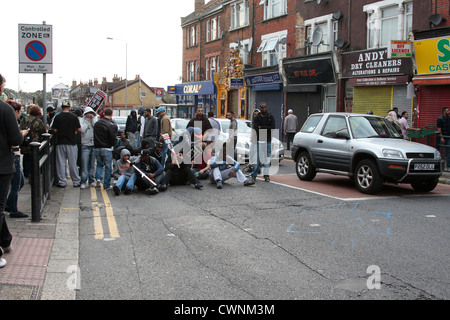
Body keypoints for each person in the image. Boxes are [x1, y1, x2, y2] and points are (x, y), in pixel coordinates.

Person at [0, 74, 26, 267]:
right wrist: (21, 134)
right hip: (2, 165)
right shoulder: (5, 110)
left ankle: (6, 240)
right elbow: (16, 139)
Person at [5, 100, 27, 218]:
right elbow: (15, 139)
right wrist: (22, 133)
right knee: (16, 184)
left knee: (20, 182)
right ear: (17, 111)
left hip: (12, 155)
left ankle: (8, 204)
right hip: (14, 155)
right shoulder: (11, 121)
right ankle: (13, 209)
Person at [50, 101, 80, 188]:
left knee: (60, 163)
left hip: (60, 142)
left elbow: (54, 130)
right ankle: (75, 181)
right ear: (69, 107)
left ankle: (62, 181)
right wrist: (74, 131)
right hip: (71, 142)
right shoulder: (74, 117)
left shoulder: (57, 117)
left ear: (62, 107)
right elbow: (79, 129)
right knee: (73, 163)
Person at [245, 102, 275, 185]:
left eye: (265, 107)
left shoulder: (270, 117)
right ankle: (254, 175)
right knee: (257, 158)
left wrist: (262, 127)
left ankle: (266, 175)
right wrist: (265, 129)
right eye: (262, 108)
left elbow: (272, 128)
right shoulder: (257, 117)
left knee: (267, 158)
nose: (263, 109)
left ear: (267, 107)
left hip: (268, 140)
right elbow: (255, 128)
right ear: (260, 108)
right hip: (259, 140)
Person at [19, 104, 47, 179]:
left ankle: (27, 172)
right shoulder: (38, 121)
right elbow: (43, 132)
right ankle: (35, 172)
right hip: (35, 143)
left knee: (26, 157)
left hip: (25, 142)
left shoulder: (24, 119)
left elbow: (20, 128)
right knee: (35, 158)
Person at [94, 108, 117, 190]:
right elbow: (112, 138)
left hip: (97, 147)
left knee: (99, 164)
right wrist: (112, 144)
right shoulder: (111, 125)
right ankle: (106, 184)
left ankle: (98, 179)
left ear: (103, 114)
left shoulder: (97, 123)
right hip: (107, 148)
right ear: (111, 115)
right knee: (108, 167)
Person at [79, 107, 98, 189]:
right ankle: (83, 181)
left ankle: (91, 180)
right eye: (88, 113)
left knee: (92, 164)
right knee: (84, 165)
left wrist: (93, 119)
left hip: (93, 145)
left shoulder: (95, 119)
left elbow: (97, 127)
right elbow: (82, 130)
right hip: (85, 145)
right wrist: (87, 121)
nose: (89, 115)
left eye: (91, 113)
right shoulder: (81, 120)